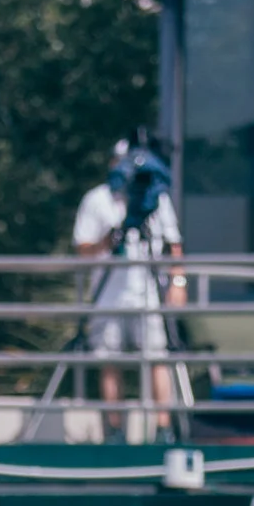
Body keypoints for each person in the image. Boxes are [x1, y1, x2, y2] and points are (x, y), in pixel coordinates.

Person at [74, 139, 186, 426]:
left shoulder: (156, 198)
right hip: (108, 297)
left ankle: (164, 429)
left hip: (147, 294)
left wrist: (178, 282)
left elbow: (174, 245)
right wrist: (109, 240)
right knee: (109, 362)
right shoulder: (96, 199)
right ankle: (114, 430)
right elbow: (82, 249)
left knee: (156, 359)